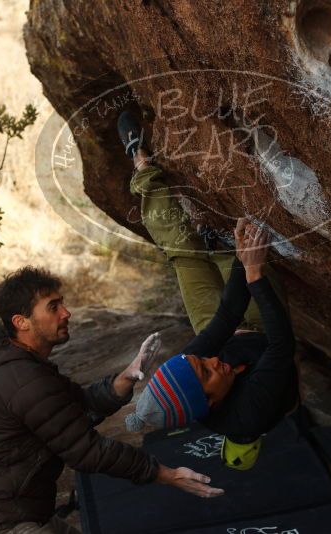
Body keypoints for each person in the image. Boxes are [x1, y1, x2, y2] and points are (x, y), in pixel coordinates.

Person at [0, 267, 223, 534]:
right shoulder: (22, 378)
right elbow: (87, 451)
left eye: (62, 304)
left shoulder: (22, 366)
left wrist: (126, 378)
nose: (66, 313)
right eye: (53, 307)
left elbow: (77, 406)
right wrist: (166, 474)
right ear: (21, 322)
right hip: (1, 524)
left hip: (18, 515)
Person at [118, 111, 300, 470]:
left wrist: (239, 258)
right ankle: (217, 247)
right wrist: (252, 270)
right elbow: (283, 343)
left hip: (226, 326)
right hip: (265, 332)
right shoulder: (254, 409)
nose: (211, 360)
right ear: (211, 403)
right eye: (207, 372)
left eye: (199, 361)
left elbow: (227, 315)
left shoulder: (189, 369)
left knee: (183, 255)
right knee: (238, 254)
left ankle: (142, 168)